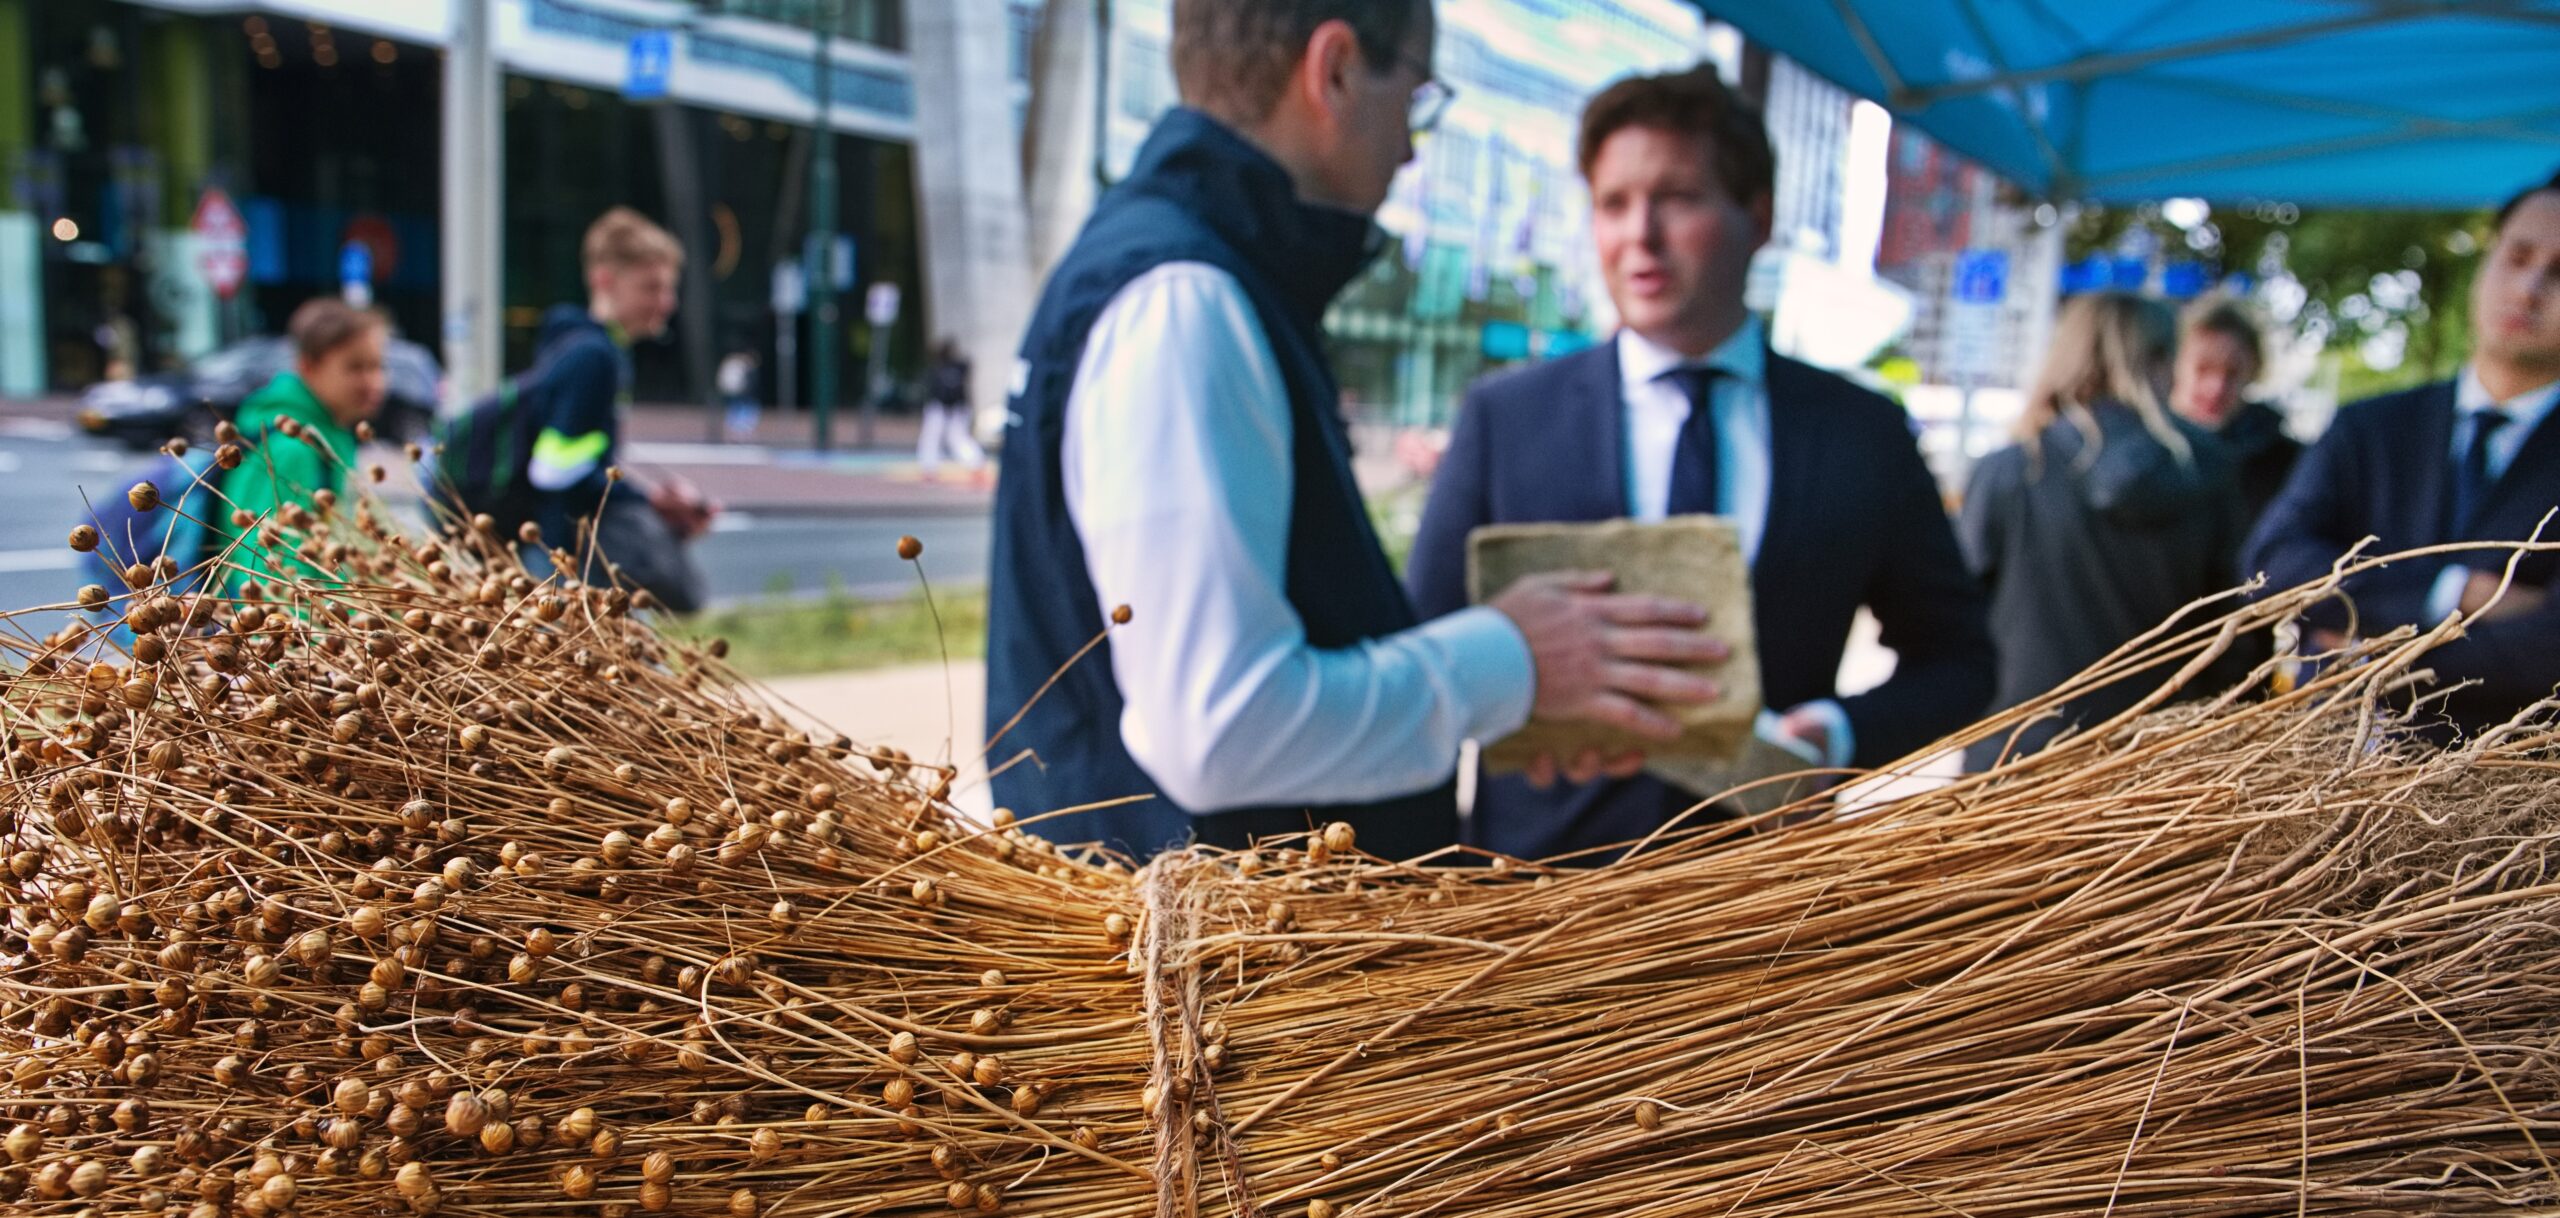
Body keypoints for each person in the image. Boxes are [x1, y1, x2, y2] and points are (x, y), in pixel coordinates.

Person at [985, 0, 1728, 860]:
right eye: (1416, 98)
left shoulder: (1180, 271)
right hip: (1218, 978)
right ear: (1335, 70)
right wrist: (1514, 658)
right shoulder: (1184, 296)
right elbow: (1222, 730)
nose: (1413, 148)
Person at [1407, 65, 1994, 860]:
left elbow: (1960, 661)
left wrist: (1841, 733)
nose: (1638, 235)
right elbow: (1421, 663)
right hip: (1532, 905)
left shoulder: (1863, 433)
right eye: (1613, 203)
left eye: (1676, 197)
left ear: (1757, 216)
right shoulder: (1506, 417)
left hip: (1762, 914)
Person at [2244, 170, 2560, 733]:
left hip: (2516, 795)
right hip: (2324, 774)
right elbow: (2273, 562)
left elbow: (2549, 651)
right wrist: (2454, 591)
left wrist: (2367, 655)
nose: (2529, 288)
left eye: (2559, 272)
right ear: (2487, 260)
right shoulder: (2368, 428)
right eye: (2518, 256)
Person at [1959, 292, 2245, 767]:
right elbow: (2237, 628)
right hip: (2164, 766)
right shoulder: (2210, 474)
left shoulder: (2011, 473)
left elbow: (1954, 624)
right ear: (2162, 360)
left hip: (2015, 758)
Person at [526, 208, 715, 614]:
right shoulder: (595, 357)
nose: (666, 303)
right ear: (604, 280)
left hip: (561, 555)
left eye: (669, 289)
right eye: (651, 288)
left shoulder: (582, 345)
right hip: (564, 561)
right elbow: (554, 472)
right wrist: (647, 501)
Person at [213, 298, 389, 592]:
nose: (374, 381)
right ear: (308, 366)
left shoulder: (330, 435)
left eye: (377, 366)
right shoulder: (290, 450)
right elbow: (268, 573)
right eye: (356, 367)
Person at [2172, 293, 2302, 530]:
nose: (2217, 387)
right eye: (2203, 369)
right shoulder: (2137, 455)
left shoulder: (2285, 463)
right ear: (2172, 366)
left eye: (2232, 373)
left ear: (2253, 372)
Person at [917, 337, 986, 476]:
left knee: (944, 438)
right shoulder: (953, 367)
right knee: (939, 438)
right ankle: (930, 468)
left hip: (948, 409)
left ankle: (931, 468)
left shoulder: (944, 368)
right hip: (948, 409)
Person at [718, 346, 762, 443]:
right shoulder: (744, 365)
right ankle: (741, 434)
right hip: (742, 392)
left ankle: (736, 434)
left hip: (734, 391)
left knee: (736, 410)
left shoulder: (732, 363)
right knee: (743, 411)